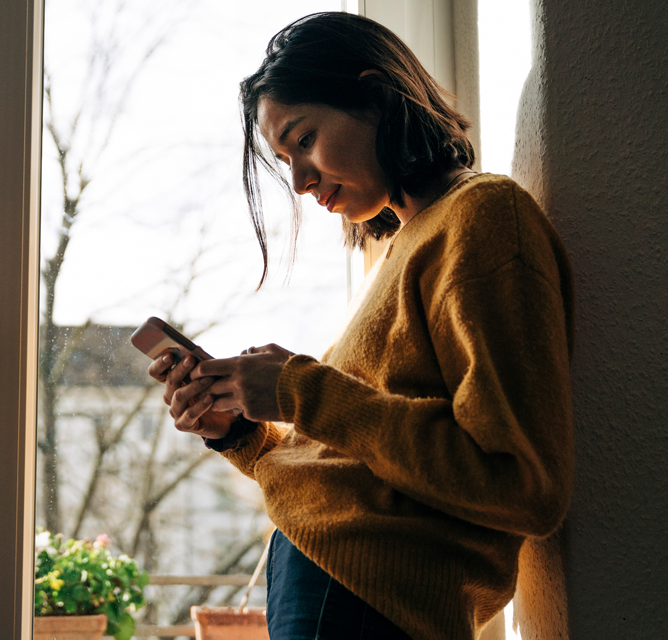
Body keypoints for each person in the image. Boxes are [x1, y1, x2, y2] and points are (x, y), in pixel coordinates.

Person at [148, 12, 574, 640]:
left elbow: (519, 481)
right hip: (333, 590)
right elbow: (362, 466)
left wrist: (299, 390)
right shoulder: (405, 246)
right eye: (284, 159)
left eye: (304, 138)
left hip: (363, 602)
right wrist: (240, 433)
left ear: (376, 98)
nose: (298, 181)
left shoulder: (482, 217)